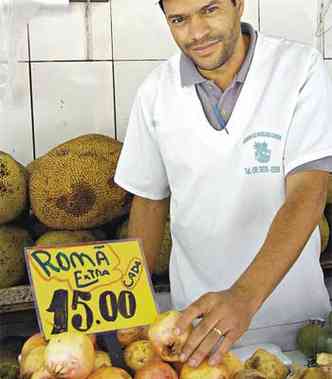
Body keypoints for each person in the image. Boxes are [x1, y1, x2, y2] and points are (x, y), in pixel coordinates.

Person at [115, 0, 332, 368]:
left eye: (210, 10)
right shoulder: (155, 92)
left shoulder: (298, 70)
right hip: (194, 335)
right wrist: (123, 306)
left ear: (239, 4)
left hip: (297, 325)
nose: (197, 33)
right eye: (179, 20)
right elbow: (149, 202)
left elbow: (309, 192)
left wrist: (244, 297)